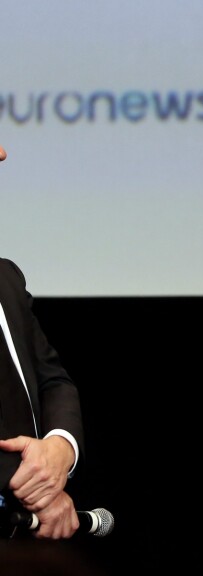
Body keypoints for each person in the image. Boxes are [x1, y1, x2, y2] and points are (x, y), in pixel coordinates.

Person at [0, 143, 85, 541]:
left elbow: (53, 380)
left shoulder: (6, 277)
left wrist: (59, 450)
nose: (2, 153)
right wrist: (30, 484)